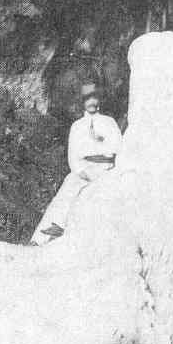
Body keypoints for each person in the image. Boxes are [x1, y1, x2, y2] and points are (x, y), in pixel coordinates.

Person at [30, 92, 123, 245]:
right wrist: (81, 171)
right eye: (88, 100)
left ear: (99, 101)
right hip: (85, 168)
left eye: (94, 98)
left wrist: (102, 146)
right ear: (83, 103)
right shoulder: (77, 126)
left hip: (106, 167)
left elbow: (118, 148)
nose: (91, 102)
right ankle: (45, 234)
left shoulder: (109, 122)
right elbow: (73, 156)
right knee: (68, 187)